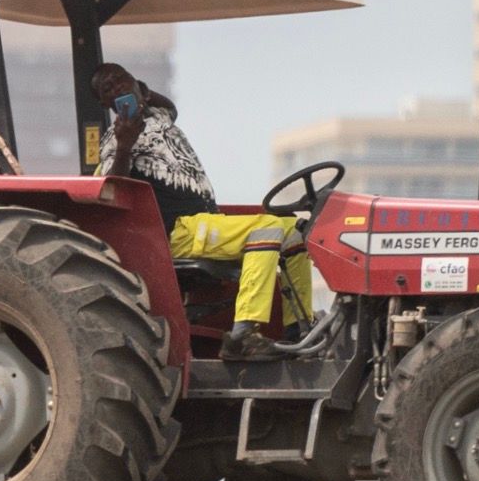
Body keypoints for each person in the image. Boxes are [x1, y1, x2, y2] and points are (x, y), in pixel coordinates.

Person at [89, 63, 312, 363]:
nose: (117, 87)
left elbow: (169, 105)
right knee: (268, 229)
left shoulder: (159, 117)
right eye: (108, 89)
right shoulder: (116, 140)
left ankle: (299, 328)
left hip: (208, 224)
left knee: (294, 230)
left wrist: (145, 94)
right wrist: (125, 146)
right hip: (179, 230)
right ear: (106, 104)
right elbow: (113, 187)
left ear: (134, 81)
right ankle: (243, 335)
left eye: (121, 79)